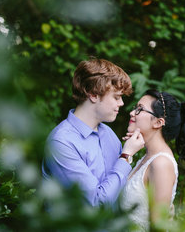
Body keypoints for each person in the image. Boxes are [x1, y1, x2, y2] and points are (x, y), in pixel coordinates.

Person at [42, 58, 145, 207]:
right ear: (93, 94)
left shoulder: (109, 134)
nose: (121, 103)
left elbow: (118, 191)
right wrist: (126, 156)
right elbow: (97, 204)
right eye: (116, 97)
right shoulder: (61, 142)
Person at [120, 89, 185, 231]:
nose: (132, 113)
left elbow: (158, 227)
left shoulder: (161, 163)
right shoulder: (145, 158)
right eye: (135, 108)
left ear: (158, 122)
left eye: (139, 109)